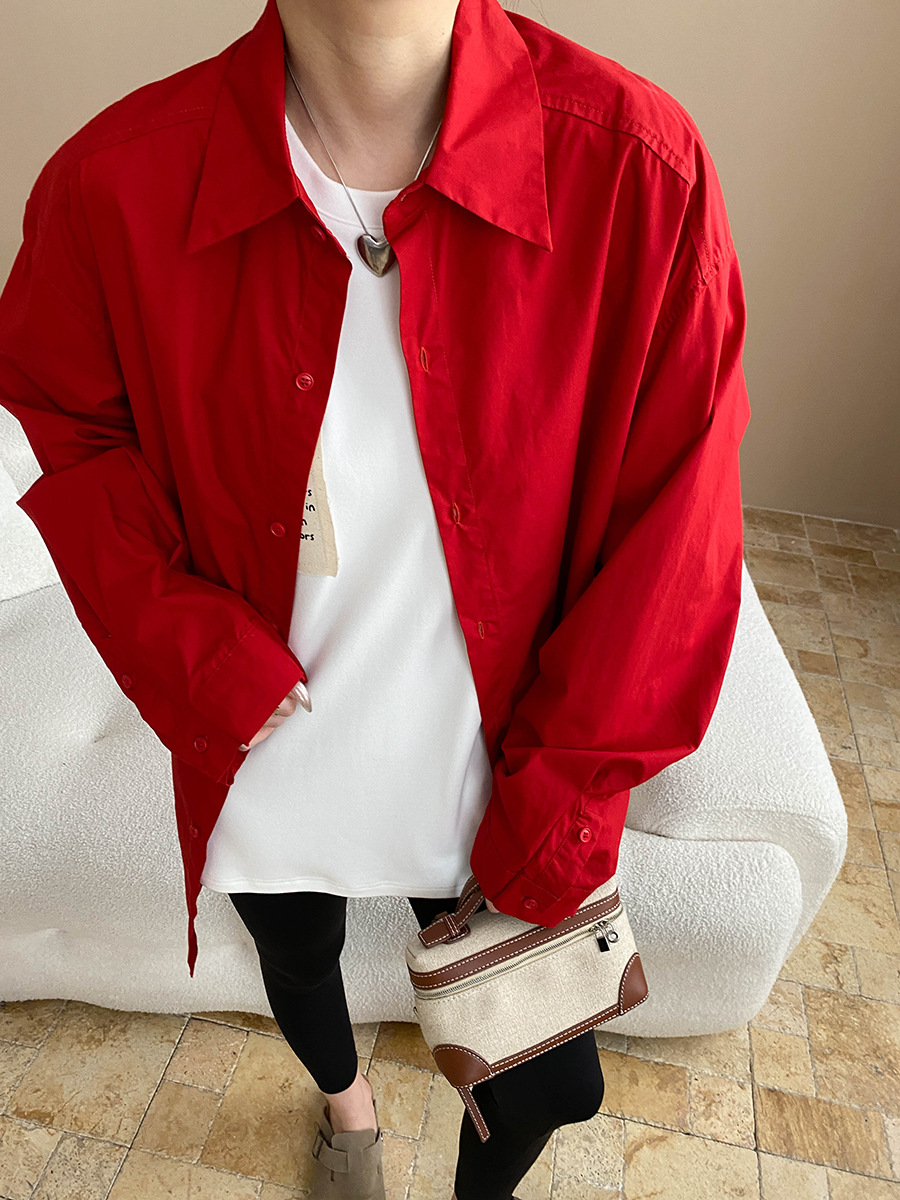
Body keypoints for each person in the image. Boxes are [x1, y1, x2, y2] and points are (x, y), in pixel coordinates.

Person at [0, 0, 751, 1194]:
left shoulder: (636, 169)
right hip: (269, 741)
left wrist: (562, 798)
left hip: (511, 759)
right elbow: (69, 427)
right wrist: (198, 659)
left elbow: (680, 532)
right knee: (299, 959)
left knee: (538, 1079)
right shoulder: (111, 185)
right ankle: (347, 1114)